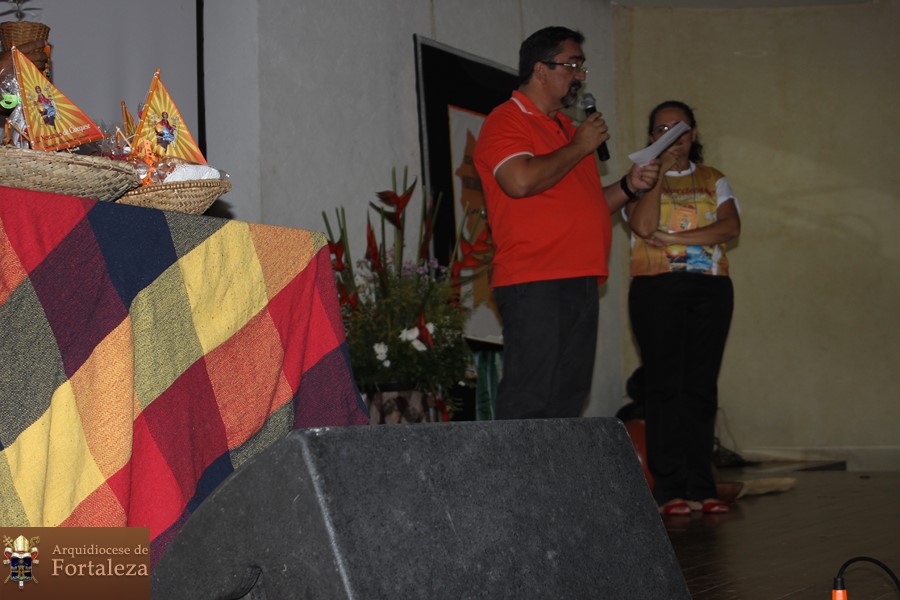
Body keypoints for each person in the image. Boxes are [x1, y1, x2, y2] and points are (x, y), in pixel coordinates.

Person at [473, 26, 661, 420]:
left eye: (582, 68)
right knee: (530, 400)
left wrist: (630, 186)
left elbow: (591, 205)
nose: (579, 76)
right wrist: (579, 146)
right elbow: (519, 181)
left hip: (581, 279)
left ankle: (558, 466)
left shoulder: (568, 130)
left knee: (567, 402)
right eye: (572, 65)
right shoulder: (507, 119)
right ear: (541, 69)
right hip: (535, 278)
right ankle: (515, 466)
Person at [622, 100, 741, 515]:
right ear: (651, 137)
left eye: (680, 128)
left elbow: (730, 227)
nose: (673, 137)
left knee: (701, 386)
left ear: (694, 134)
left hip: (710, 288)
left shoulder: (713, 178)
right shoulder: (638, 180)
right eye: (662, 130)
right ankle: (670, 489)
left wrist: (675, 239)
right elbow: (642, 226)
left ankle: (702, 486)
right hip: (655, 288)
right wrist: (657, 175)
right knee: (663, 386)